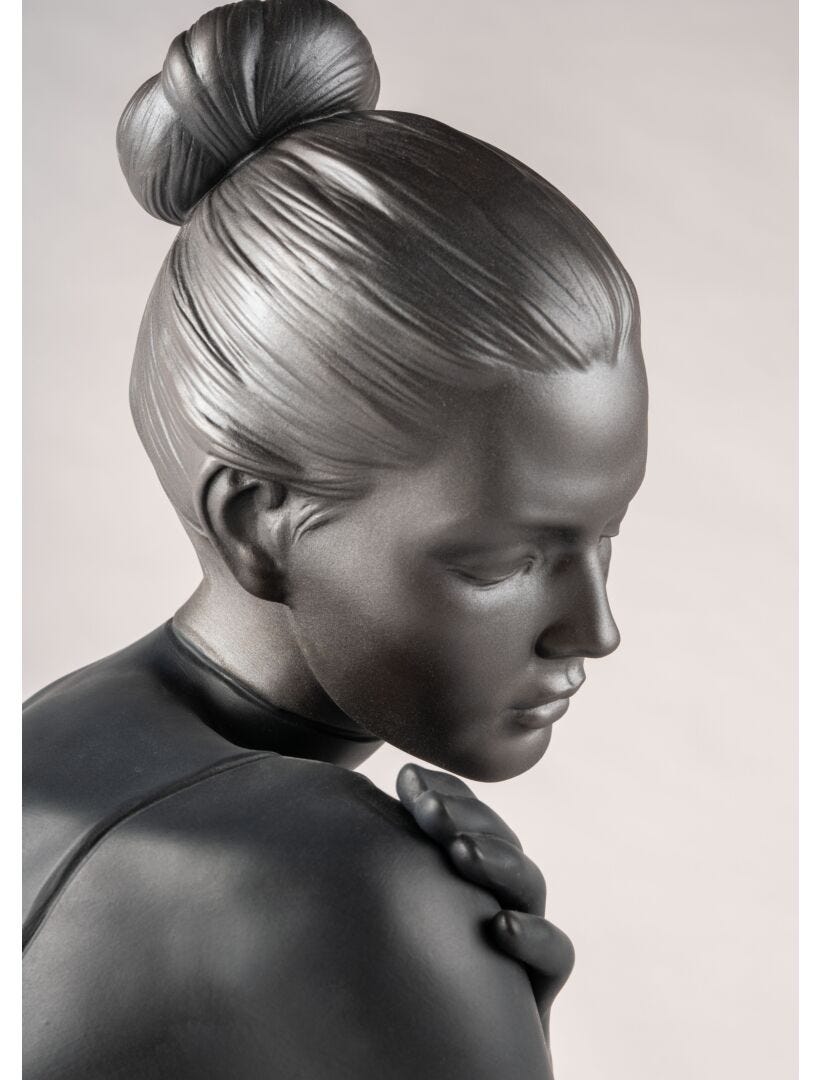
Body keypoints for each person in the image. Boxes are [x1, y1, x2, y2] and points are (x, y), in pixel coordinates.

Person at [22, 0, 648, 1076]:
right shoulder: (332, 882)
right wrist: (444, 989)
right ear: (254, 519)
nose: (594, 629)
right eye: (504, 561)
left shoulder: (47, 746)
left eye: (607, 535)